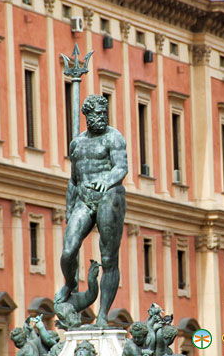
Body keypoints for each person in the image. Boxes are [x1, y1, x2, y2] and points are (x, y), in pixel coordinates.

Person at [55, 94, 128, 327]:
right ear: (86, 115)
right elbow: (73, 180)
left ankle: (103, 316)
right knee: (68, 251)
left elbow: (121, 167)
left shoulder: (114, 138)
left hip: (109, 198)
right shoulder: (76, 143)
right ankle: (69, 283)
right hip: (83, 201)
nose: (102, 117)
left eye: (104, 113)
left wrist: (107, 180)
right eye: (97, 113)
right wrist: (68, 208)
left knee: (108, 259)